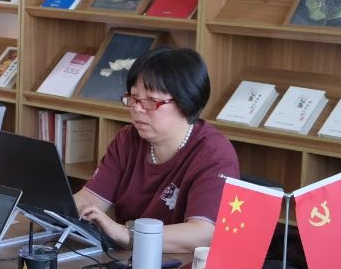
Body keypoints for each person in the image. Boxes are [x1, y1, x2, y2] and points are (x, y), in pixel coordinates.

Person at [74, 47, 240, 254]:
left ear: (186, 101)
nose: (137, 108)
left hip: (181, 265)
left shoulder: (214, 155)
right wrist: (50, 209)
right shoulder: (128, 139)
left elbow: (203, 234)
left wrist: (126, 234)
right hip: (131, 259)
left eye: (151, 101)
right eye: (134, 98)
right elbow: (90, 200)